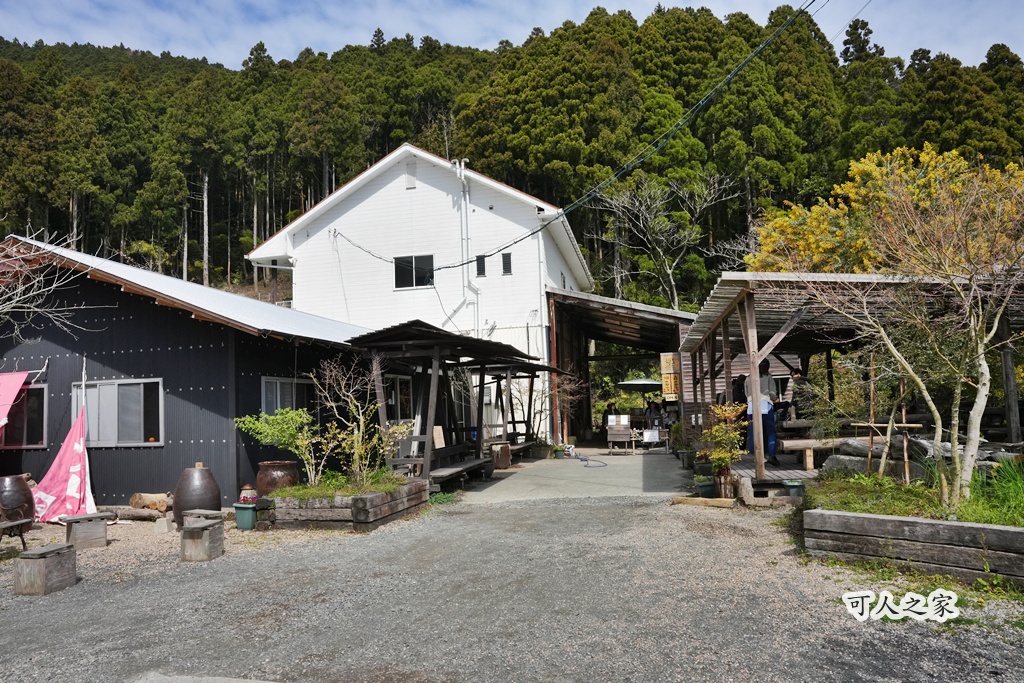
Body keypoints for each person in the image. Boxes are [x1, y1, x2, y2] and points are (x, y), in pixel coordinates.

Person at [745, 360, 779, 465]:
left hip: (751, 406)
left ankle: (758, 456)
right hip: (765, 405)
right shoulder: (768, 377)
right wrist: (774, 398)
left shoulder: (748, 378)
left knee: (754, 431)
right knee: (770, 431)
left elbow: (746, 393)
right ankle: (771, 455)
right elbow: (772, 394)